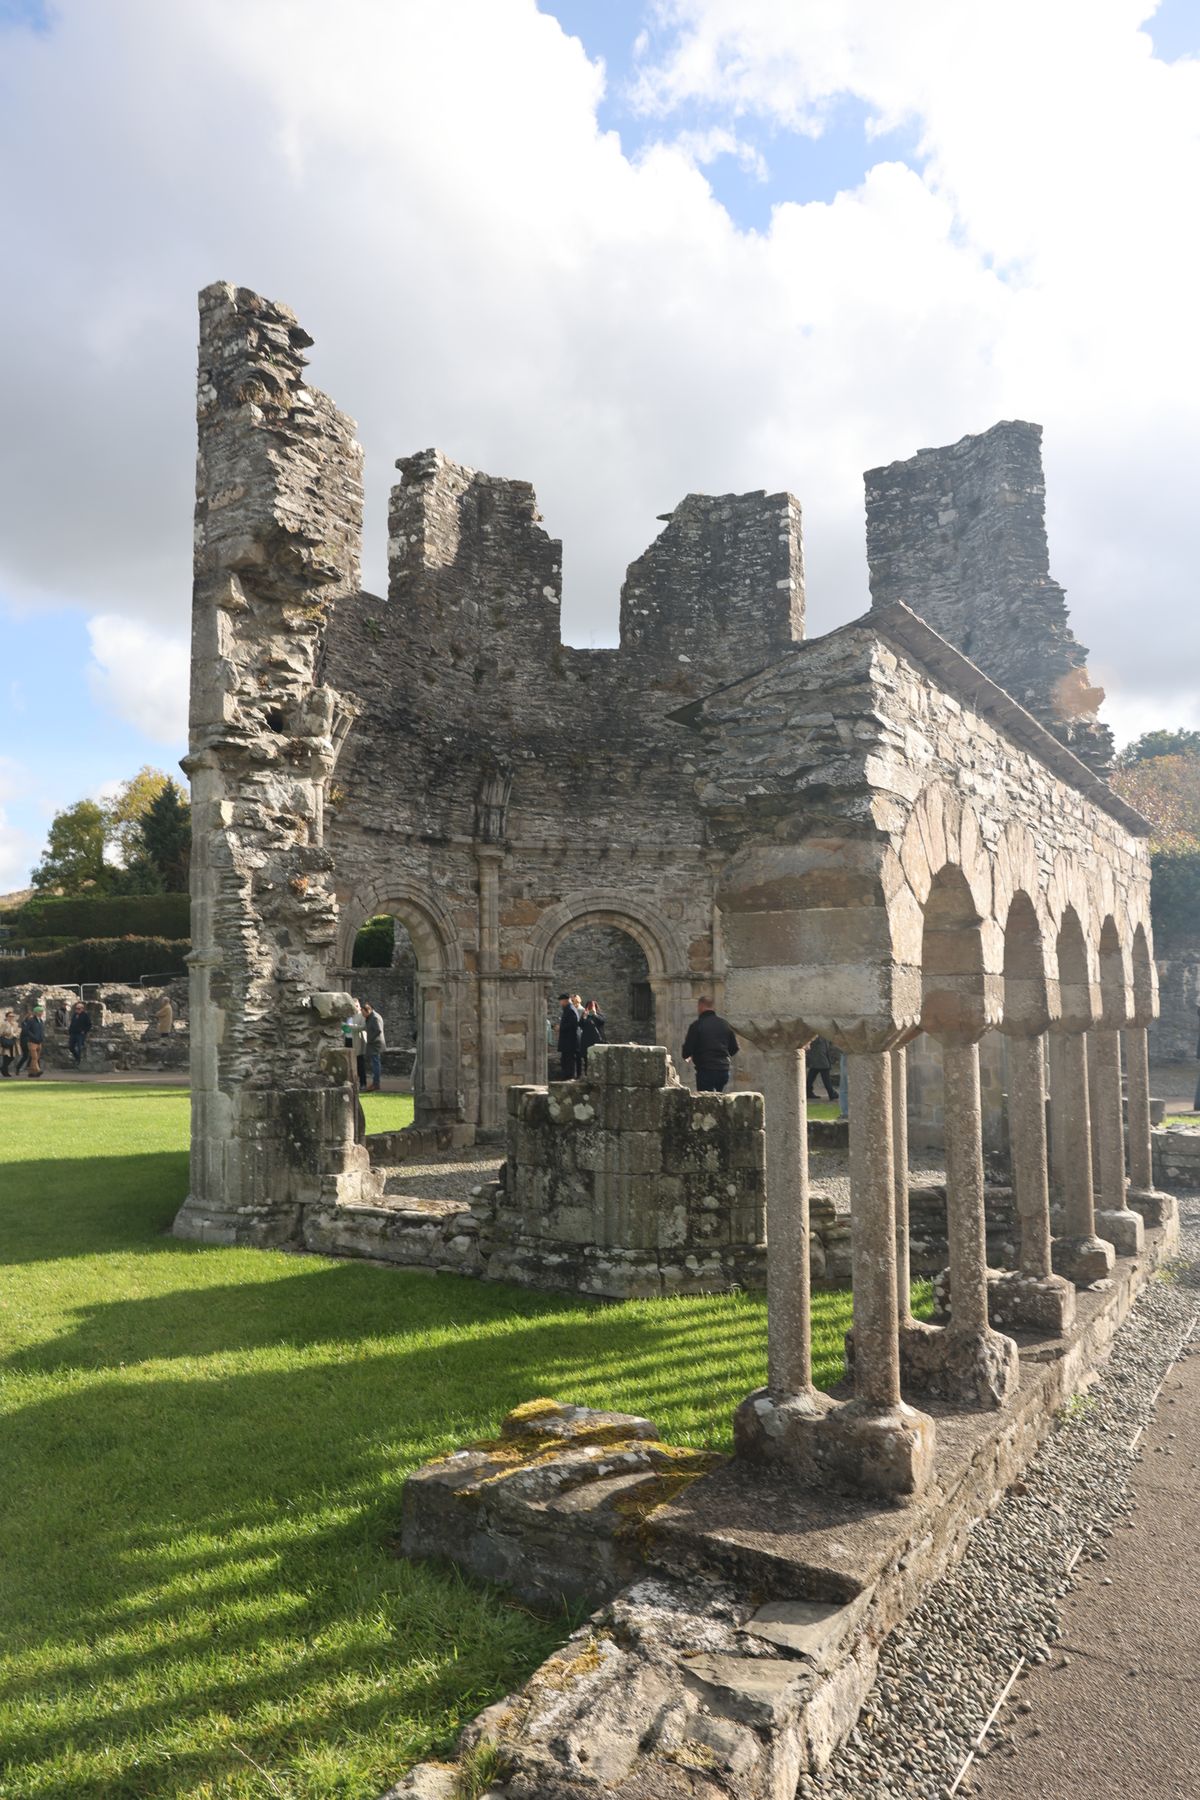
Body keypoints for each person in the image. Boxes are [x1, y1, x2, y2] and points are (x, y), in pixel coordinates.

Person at [681, 996, 739, 1092]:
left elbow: (686, 1051)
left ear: (700, 1006)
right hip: (723, 1070)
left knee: (705, 1101)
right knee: (720, 1098)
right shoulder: (724, 1024)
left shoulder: (697, 1026)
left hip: (705, 1070)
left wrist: (691, 1054)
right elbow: (734, 1048)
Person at [556, 992, 582, 1080]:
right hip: (568, 1041)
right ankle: (567, 1076)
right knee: (565, 1060)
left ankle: (570, 1077)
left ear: (565, 1001)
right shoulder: (568, 1009)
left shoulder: (570, 1009)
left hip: (570, 1041)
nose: (560, 1003)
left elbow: (573, 1024)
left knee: (569, 1060)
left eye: (561, 1001)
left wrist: (561, 1027)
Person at [805, 1035, 838, 1101]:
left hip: (819, 1054)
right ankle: (831, 1093)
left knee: (813, 1073)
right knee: (825, 1074)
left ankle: (808, 1091)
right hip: (819, 1055)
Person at [362, 1000, 385, 1092]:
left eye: (363, 1012)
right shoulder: (370, 1017)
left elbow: (378, 1030)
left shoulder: (375, 1017)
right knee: (375, 1063)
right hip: (373, 1043)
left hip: (376, 1044)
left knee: (376, 1063)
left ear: (368, 1010)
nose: (362, 1015)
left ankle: (376, 1083)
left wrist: (370, 1039)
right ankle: (375, 1083)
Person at [579, 999, 606, 1070]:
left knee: (598, 1059)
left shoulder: (599, 1015)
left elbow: (602, 1022)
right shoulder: (585, 1016)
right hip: (587, 1040)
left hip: (597, 1040)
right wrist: (584, 1017)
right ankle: (586, 1074)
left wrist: (595, 1014)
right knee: (586, 1060)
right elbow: (581, 1025)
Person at [24, 1004, 46, 1078]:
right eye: (40, 1011)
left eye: (42, 1011)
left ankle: (31, 1072)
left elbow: (41, 1031)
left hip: (39, 1042)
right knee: (34, 1057)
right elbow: (26, 1030)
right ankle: (38, 1070)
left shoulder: (41, 1021)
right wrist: (33, 1036)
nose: (42, 1013)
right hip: (32, 1042)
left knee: (36, 1057)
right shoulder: (31, 1020)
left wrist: (42, 1037)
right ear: (36, 1012)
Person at [1, 1010, 18, 1077]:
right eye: (10, 1016)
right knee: (6, 1056)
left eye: (12, 1016)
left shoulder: (15, 1024)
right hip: (5, 1041)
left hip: (12, 1041)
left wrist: (15, 1035)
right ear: (7, 1017)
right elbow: (1, 1032)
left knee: (12, 1057)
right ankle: (5, 1071)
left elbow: (17, 1031)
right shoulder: (4, 1024)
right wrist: (8, 1034)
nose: (11, 1017)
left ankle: (3, 1068)